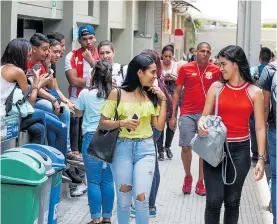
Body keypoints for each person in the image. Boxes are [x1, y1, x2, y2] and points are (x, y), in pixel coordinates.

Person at [198, 45, 266, 224]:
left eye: (224, 64)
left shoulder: (254, 92)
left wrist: (260, 158)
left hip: (240, 152)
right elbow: (204, 115)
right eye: (219, 64)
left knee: (232, 202)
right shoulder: (216, 87)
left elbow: (259, 127)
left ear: (236, 64)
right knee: (213, 201)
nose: (220, 68)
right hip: (215, 148)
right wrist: (200, 123)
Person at [98, 54, 167, 224]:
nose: (155, 76)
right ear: (139, 72)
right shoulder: (117, 93)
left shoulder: (151, 94)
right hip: (122, 149)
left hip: (146, 149)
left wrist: (163, 100)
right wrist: (122, 122)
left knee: (142, 200)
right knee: (123, 201)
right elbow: (103, 124)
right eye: (152, 72)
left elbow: (158, 126)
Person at [169, 42, 221, 196]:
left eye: (208, 51)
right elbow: (177, 92)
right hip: (187, 113)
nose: (205, 54)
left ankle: (201, 182)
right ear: (196, 52)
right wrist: (173, 115)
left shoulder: (216, 70)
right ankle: (188, 177)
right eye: (202, 51)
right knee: (186, 147)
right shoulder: (185, 68)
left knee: (203, 150)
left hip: (206, 115)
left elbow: (220, 92)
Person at [130, 49, 173, 218]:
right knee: (152, 165)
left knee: (149, 166)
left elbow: (166, 103)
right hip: (152, 128)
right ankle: (150, 205)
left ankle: (147, 205)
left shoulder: (152, 84)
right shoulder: (158, 81)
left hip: (150, 128)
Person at [75, 60, 114, 224]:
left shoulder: (84, 94)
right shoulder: (115, 94)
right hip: (110, 138)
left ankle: (95, 218)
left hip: (91, 138)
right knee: (107, 180)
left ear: (93, 75)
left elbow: (77, 114)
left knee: (93, 180)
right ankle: (107, 217)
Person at [0, 38, 51, 144]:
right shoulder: (18, 71)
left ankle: (37, 156)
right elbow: (30, 103)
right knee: (42, 114)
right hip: (5, 119)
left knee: (39, 128)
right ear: (20, 55)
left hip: (8, 115)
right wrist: (37, 81)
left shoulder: (2, 68)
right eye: (28, 56)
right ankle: (43, 156)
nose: (28, 60)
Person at [65, 24, 100, 156]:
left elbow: (107, 77)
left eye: (91, 38)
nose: (88, 42)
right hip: (76, 98)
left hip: (98, 97)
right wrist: (95, 83)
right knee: (73, 110)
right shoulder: (72, 55)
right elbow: (73, 81)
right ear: (79, 40)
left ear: (95, 38)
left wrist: (92, 62)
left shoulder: (101, 54)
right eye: (84, 39)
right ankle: (75, 152)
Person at [259, 61, 277, 224]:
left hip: (274, 130)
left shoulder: (270, 70)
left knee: (276, 176)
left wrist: (261, 137)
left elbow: (265, 107)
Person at [157, 44, 177, 160]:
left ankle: (167, 146)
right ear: (162, 56)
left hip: (173, 95)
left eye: (170, 56)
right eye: (165, 56)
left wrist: (174, 78)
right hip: (161, 96)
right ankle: (160, 150)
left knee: (172, 123)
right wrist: (163, 78)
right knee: (160, 123)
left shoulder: (176, 66)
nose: (167, 59)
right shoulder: (158, 64)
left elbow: (181, 82)